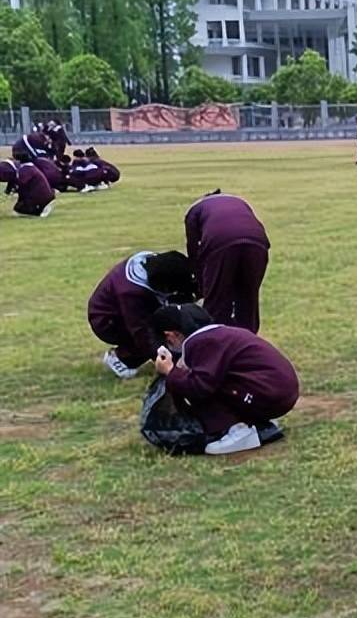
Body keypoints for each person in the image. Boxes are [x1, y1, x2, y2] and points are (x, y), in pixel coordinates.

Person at [152, 303, 300, 455]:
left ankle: (237, 430)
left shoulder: (201, 342)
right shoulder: (219, 334)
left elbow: (199, 387)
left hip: (270, 395)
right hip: (278, 391)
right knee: (206, 378)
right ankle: (256, 422)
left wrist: (171, 372)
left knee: (199, 383)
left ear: (171, 335)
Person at [88, 250, 197, 378]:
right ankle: (121, 359)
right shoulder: (131, 293)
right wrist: (170, 365)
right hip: (107, 321)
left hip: (131, 310)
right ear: (164, 287)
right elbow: (143, 333)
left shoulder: (156, 265)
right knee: (154, 335)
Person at [184, 191, 270, 332]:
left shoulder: (195, 211)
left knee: (216, 302)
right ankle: (248, 343)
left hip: (220, 243)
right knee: (248, 299)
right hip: (258, 243)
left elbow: (194, 252)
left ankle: (215, 341)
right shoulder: (240, 201)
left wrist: (201, 287)